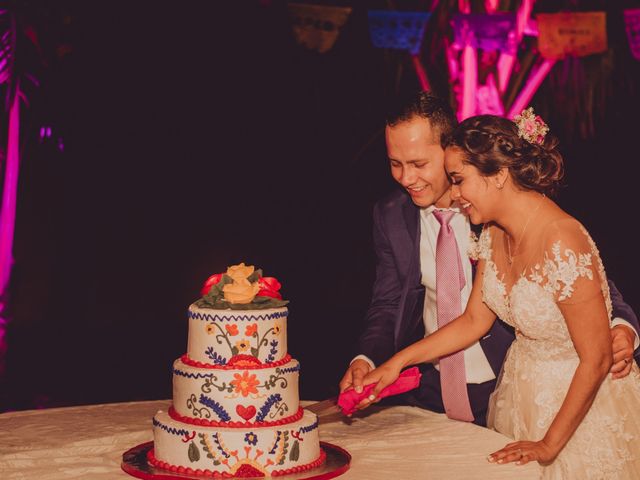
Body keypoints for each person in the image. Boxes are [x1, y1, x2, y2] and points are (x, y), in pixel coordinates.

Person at [358, 111, 640, 477]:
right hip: (521, 399)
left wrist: (549, 445)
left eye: (459, 181)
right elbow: (474, 321)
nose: (454, 194)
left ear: (498, 175)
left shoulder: (562, 237)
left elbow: (597, 358)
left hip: (578, 411)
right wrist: (397, 363)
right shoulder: (492, 233)